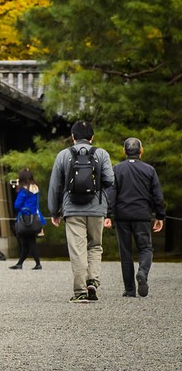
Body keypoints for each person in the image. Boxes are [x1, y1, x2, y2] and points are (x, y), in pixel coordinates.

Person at [48, 121, 114, 303]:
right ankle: (92, 281)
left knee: (78, 249)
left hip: (72, 209)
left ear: (73, 137)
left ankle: (80, 291)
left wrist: (54, 211)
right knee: (95, 246)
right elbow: (110, 180)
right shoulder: (101, 154)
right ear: (92, 137)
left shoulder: (63, 155)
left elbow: (55, 186)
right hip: (97, 208)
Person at [106, 138, 166, 297]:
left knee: (125, 251)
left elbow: (111, 194)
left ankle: (130, 290)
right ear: (141, 151)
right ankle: (143, 272)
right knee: (145, 248)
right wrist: (160, 215)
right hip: (142, 215)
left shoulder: (117, 169)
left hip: (122, 215)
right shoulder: (149, 170)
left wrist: (108, 215)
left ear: (124, 151)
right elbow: (157, 196)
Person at [9, 168, 45, 270]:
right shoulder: (36, 189)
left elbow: (17, 205)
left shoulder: (24, 190)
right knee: (29, 241)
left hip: (25, 219)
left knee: (27, 242)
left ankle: (35, 263)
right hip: (34, 218)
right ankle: (21, 263)